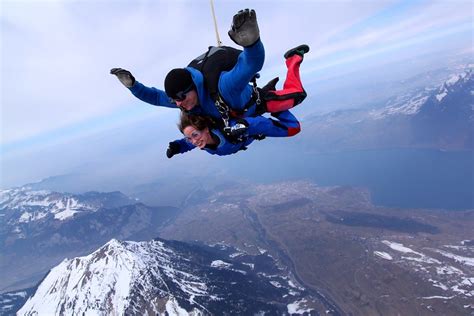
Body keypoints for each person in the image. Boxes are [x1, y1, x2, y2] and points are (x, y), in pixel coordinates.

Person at [110, 8, 309, 130]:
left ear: (192, 88)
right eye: (176, 100)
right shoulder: (185, 101)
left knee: (298, 95)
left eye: (182, 98)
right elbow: (154, 97)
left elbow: (251, 64)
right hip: (240, 115)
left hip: (257, 105)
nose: (179, 105)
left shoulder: (224, 87)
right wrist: (133, 86)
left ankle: (293, 59)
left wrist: (251, 42)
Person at [167, 110, 301, 157]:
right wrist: (177, 147)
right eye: (189, 138)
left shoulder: (228, 131)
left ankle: (293, 60)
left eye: (195, 135)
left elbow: (258, 124)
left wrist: (246, 125)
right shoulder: (201, 141)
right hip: (248, 133)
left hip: (253, 126)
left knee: (294, 128)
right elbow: (188, 143)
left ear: (206, 129)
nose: (194, 141)